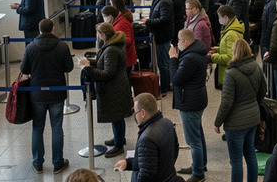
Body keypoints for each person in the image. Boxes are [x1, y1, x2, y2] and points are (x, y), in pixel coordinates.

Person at [20, 18, 73, 175]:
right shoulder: (62, 46)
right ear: (53, 29)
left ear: (39, 29)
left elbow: (24, 68)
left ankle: (38, 162)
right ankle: (57, 163)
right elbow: (68, 67)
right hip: (57, 92)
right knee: (57, 127)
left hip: (37, 93)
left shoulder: (31, 48)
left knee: (37, 127)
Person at [214, 38, 267, 182]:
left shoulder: (231, 73)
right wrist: (254, 104)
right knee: (250, 154)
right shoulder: (256, 67)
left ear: (234, 52)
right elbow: (263, 90)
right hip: (253, 119)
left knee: (236, 160)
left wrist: (217, 122)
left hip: (235, 123)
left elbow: (226, 102)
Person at [81, 22, 133, 158]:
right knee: (116, 116)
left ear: (103, 35)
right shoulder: (113, 45)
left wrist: (89, 69)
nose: (97, 36)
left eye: (99, 33)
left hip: (114, 87)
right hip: (117, 85)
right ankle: (118, 138)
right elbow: (105, 63)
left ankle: (118, 145)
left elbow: (108, 73)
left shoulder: (111, 49)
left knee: (116, 116)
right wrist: (92, 62)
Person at [170, 28, 209, 182]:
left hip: (190, 102)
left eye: (179, 41)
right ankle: (200, 165)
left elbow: (176, 79)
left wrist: (173, 59)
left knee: (193, 140)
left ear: (186, 41)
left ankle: (198, 173)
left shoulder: (189, 58)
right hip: (197, 99)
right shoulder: (196, 50)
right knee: (198, 135)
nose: (177, 44)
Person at [114, 93, 179, 182]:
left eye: (135, 112)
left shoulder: (147, 139)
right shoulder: (168, 123)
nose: (134, 115)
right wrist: (128, 163)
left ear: (143, 113)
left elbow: (146, 176)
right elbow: (174, 151)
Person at [144, 0, 174, 94]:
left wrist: (148, 21)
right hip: (159, 35)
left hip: (162, 36)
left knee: (163, 63)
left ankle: (164, 88)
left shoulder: (164, 1)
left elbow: (164, 19)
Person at [211, 2, 246, 86]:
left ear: (225, 17)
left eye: (219, 17)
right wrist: (218, 50)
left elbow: (230, 57)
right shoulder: (231, 28)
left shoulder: (231, 34)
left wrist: (213, 57)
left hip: (228, 74)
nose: (219, 20)